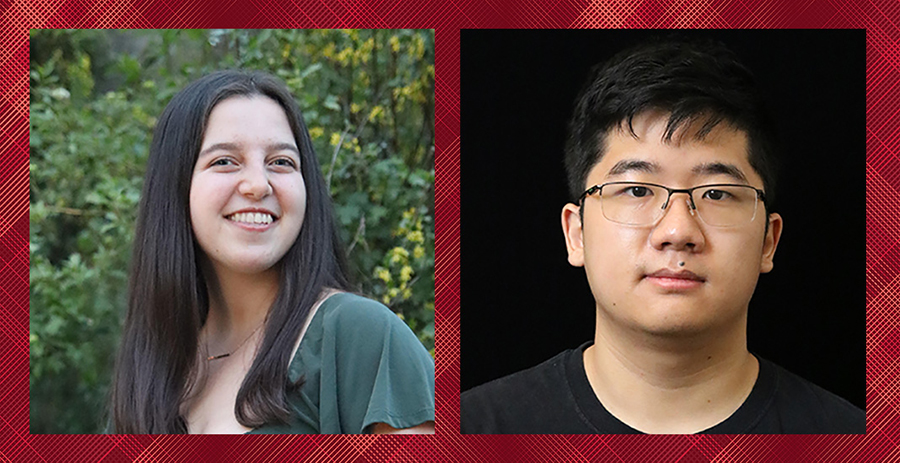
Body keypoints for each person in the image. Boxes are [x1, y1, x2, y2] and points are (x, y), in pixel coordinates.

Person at [460, 39, 864, 434]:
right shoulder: (472, 430)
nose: (677, 231)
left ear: (768, 241)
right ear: (576, 233)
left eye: (717, 194)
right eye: (637, 190)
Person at [110, 70, 435, 434]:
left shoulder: (360, 336)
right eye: (224, 161)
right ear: (176, 186)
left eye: (281, 162)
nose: (257, 185)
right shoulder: (151, 372)